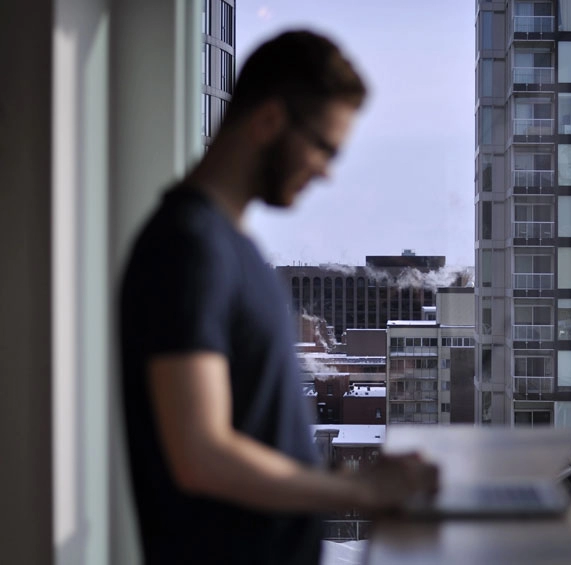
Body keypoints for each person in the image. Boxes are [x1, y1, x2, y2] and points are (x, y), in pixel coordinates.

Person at [119, 30, 438, 565]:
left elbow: (256, 431)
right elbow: (201, 454)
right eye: (323, 147)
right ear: (269, 121)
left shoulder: (231, 248)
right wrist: (361, 492)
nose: (327, 171)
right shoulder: (186, 247)